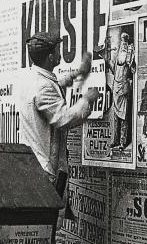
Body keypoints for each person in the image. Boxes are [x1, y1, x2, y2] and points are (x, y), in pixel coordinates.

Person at [19, 31, 100, 194]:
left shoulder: (30, 78)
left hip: (34, 165)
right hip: (46, 172)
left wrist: (78, 73)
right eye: (57, 50)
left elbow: (53, 86)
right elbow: (63, 119)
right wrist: (86, 100)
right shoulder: (43, 87)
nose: (60, 54)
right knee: (51, 218)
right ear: (50, 57)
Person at [108, 30, 136, 150]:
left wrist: (131, 70)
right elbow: (114, 69)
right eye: (122, 41)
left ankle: (122, 142)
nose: (123, 44)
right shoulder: (118, 57)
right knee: (115, 118)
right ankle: (115, 140)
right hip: (115, 88)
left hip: (123, 88)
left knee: (124, 117)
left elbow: (132, 70)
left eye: (125, 40)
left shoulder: (130, 55)